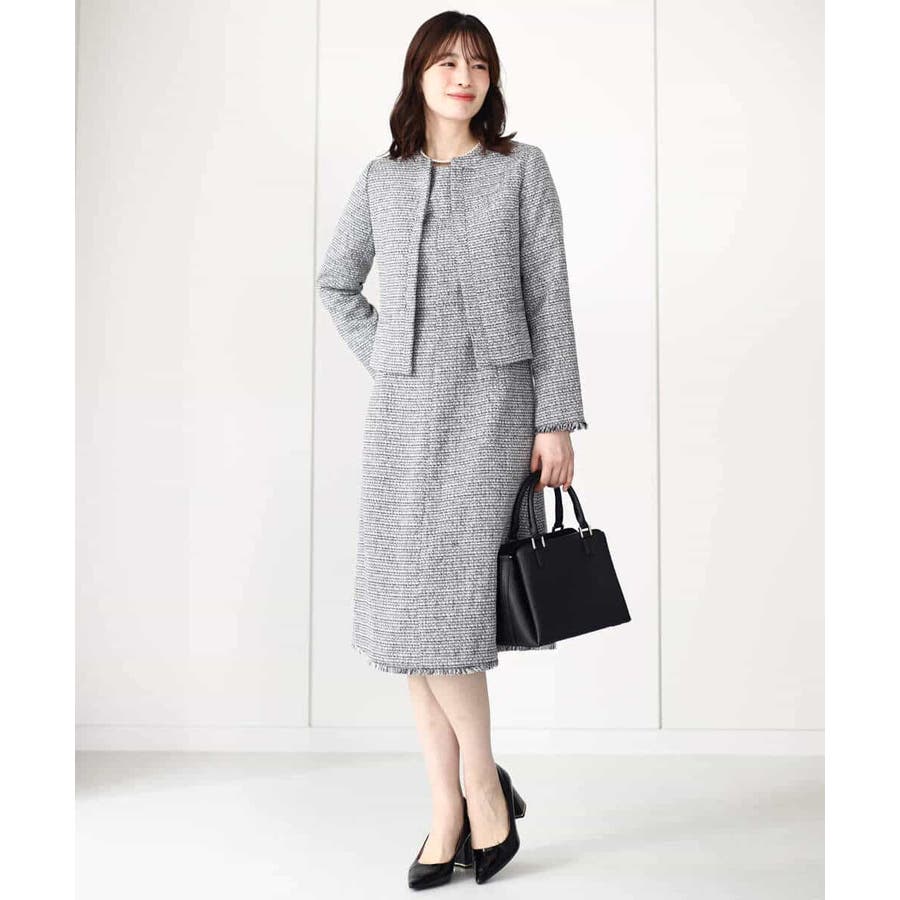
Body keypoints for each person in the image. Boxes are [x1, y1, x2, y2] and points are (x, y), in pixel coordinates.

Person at [317, 11, 587, 888]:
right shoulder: (382, 178)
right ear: (419, 77)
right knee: (406, 615)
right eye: (446, 63)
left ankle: (480, 792)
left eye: (477, 63)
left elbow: (549, 297)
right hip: (403, 414)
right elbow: (335, 282)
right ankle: (451, 805)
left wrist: (556, 418)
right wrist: (389, 355)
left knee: (450, 610)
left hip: (494, 408)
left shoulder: (521, 170)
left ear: (490, 79)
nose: (463, 77)